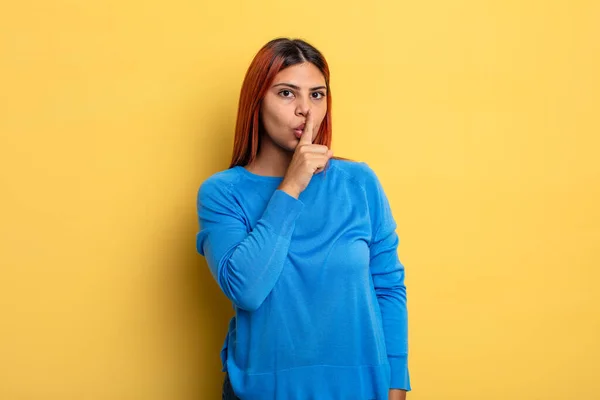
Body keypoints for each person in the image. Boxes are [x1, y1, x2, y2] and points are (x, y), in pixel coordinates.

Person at [196, 37, 411, 400]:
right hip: (264, 391)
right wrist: (291, 186)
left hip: (359, 390)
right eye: (286, 94)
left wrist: (396, 386)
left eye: (317, 95)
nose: (305, 111)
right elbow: (246, 289)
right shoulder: (223, 193)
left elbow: (388, 288)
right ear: (256, 102)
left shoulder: (359, 183)